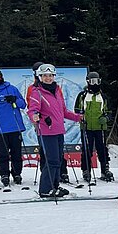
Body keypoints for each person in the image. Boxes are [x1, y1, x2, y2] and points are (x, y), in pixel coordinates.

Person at [27, 63, 83, 198]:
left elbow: (63, 111)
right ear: (40, 77)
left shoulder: (57, 90)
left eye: (50, 75)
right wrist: (34, 116)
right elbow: (32, 109)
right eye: (45, 76)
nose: (48, 78)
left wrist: (78, 117)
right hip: (47, 131)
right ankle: (45, 189)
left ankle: (55, 186)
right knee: (51, 161)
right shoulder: (37, 92)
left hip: (58, 131)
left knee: (58, 160)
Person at [0, 68, 26, 188]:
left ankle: (17, 173)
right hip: (0, 129)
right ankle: (4, 174)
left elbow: (23, 104)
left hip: (15, 127)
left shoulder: (12, 89)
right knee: (2, 154)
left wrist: (15, 99)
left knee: (16, 153)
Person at [73, 71, 113, 184]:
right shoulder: (82, 96)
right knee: (87, 149)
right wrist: (81, 117)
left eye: (96, 81)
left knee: (102, 148)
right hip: (86, 127)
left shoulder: (103, 96)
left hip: (100, 127)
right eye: (92, 81)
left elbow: (109, 112)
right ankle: (86, 170)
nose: (94, 84)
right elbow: (77, 110)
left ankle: (105, 169)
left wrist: (106, 118)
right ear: (88, 82)